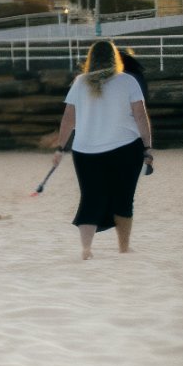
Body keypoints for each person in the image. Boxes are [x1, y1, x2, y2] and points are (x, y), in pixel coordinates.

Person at [51, 40, 154, 260]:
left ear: (90, 60)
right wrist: (147, 147)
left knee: (90, 198)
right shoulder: (128, 81)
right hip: (126, 148)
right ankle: (124, 247)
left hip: (86, 151)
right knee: (124, 199)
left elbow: (68, 118)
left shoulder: (80, 83)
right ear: (114, 58)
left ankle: (86, 249)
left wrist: (60, 147)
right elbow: (140, 116)